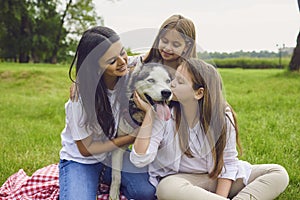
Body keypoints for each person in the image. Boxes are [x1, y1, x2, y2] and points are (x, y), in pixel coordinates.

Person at [130, 58, 289, 200]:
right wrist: (150, 114)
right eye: (173, 79)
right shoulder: (164, 115)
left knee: (278, 173)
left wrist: (220, 196)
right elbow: (140, 159)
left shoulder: (222, 116)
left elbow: (228, 163)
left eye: (180, 81)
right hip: (181, 181)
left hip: (217, 179)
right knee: (166, 188)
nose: (171, 85)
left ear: (199, 93)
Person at [59, 26, 156, 200]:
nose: (122, 62)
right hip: (82, 162)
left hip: (112, 158)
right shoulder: (80, 97)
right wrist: (133, 137)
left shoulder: (126, 69)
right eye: (112, 61)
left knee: (146, 191)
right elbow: (86, 149)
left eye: (123, 52)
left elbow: (158, 54)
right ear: (95, 68)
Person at [129, 14, 197, 73]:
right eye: (164, 41)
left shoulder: (190, 75)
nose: (167, 48)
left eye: (175, 45)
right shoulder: (140, 62)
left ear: (187, 47)